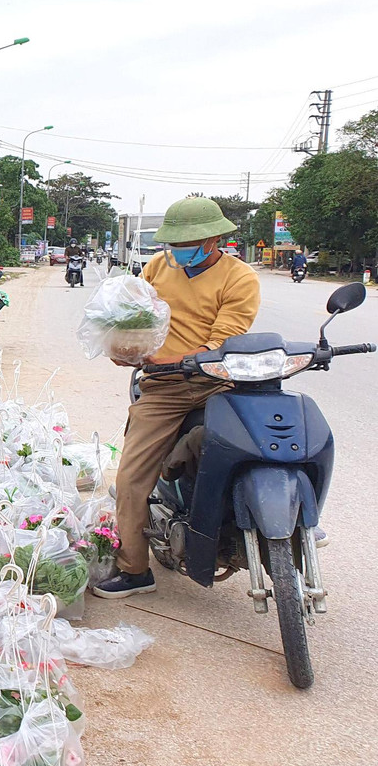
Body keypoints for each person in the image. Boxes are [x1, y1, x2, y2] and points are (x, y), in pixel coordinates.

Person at [94, 196, 260, 599]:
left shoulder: (240, 279)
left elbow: (224, 340)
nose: (177, 250)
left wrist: (178, 359)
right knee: (131, 479)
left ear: (214, 239)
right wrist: (123, 346)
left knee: (255, 447)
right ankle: (134, 569)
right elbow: (138, 315)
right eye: (174, 243)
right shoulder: (158, 266)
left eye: (188, 242)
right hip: (163, 387)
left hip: (217, 382)